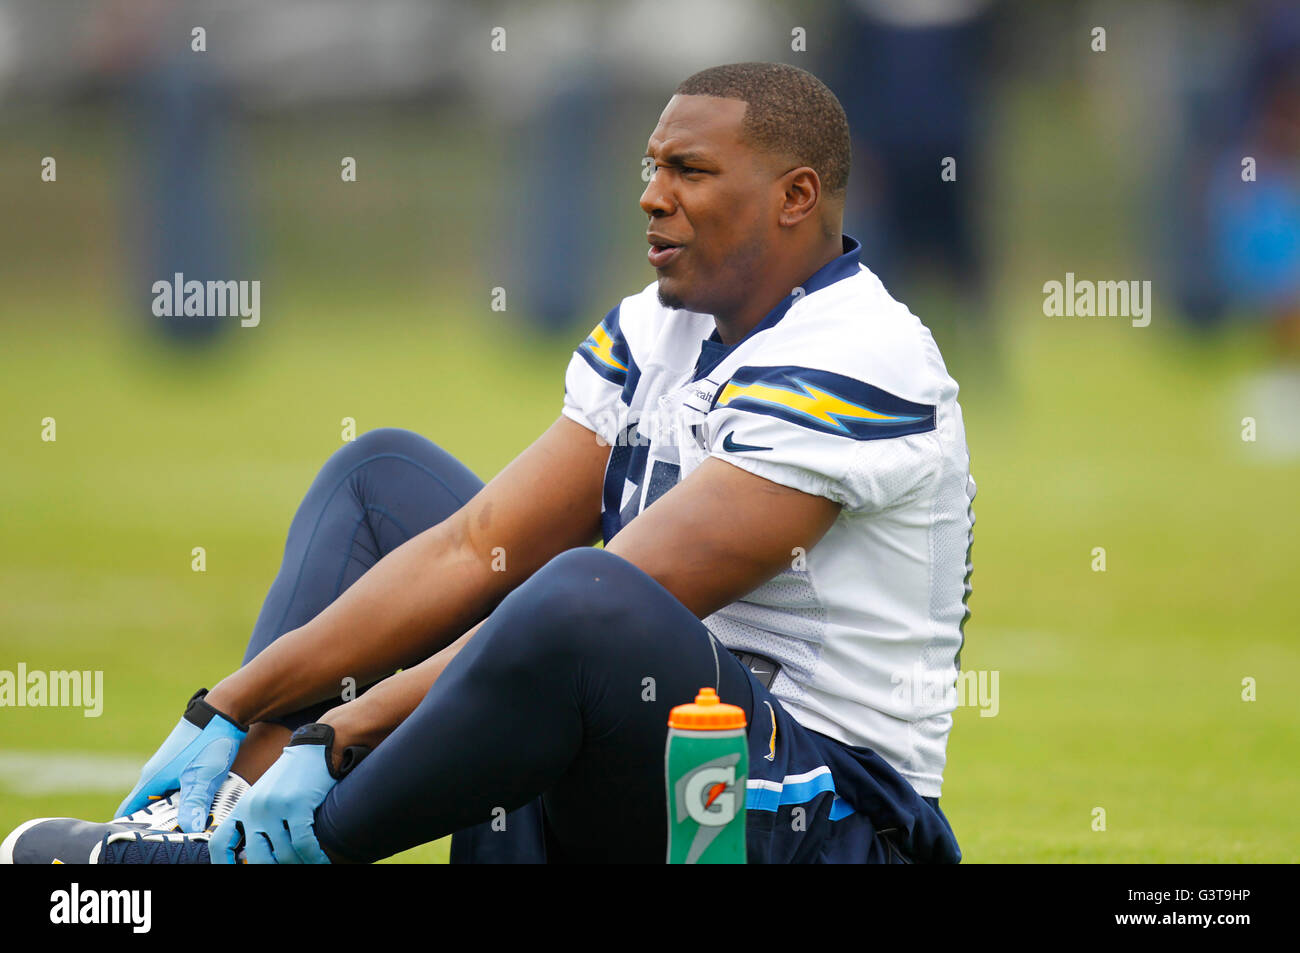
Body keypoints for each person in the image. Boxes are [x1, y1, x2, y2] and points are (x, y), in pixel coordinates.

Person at [2, 62, 972, 865]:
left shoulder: (860, 352)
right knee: (381, 482)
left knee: (587, 588)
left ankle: (256, 858)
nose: (650, 194)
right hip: (651, 766)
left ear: (795, 196)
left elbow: (626, 589)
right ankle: (216, 817)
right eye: (648, 165)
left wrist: (338, 736)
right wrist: (230, 702)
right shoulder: (656, 327)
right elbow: (479, 545)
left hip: (824, 817)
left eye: (689, 169)